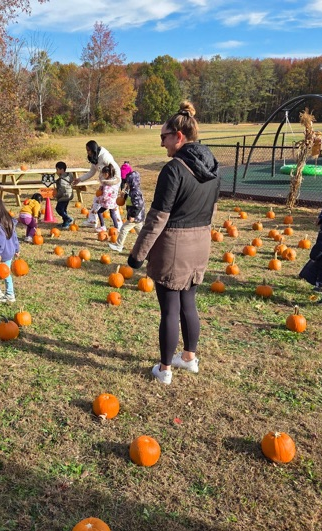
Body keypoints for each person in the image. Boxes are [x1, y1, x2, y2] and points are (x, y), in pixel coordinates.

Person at [127, 101, 220, 385]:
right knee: (188, 302)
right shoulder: (214, 166)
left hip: (174, 246)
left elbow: (157, 218)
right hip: (200, 242)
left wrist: (136, 256)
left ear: (179, 136)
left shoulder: (174, 170)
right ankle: (189, 358)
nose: (162, 143)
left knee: (169, 308)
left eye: (164, 136)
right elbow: (213, 209)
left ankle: (165, 369)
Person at [73, 140, 122, 229]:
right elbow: (91, 172)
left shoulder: (105, 156)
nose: (87, 152)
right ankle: (93, 220)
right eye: (86, 150)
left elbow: (115, 168)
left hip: (113, 182)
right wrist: (80, 179)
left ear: (93, 150)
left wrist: (113, 181)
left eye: (88, 150)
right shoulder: (94, 158)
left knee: (112, 204)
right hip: (105, 183)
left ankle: (118, 224)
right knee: (97, 199)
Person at [109, 162, 145, 252]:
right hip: (137, 217)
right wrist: (123, 196)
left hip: (135, 216)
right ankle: (148, 244)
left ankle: (118, 246)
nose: (126, 184)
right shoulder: (131, 191)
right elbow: (127, 199)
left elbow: (138, 206)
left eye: (127, 182)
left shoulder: (135, 192)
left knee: (124, 229)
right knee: (141, 233)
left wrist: (133, 215)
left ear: (132, 182)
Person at [95, 164, 122, 232]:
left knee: (99, 212)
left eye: (104, 174)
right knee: (112, 213)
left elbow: (105, 195)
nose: (103, 175)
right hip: (113, 202)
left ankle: (103, 226)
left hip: (107, 202)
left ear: (107, 174)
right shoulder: (112, 182)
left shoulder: (107, 184)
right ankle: (116, 227)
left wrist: (100, 199)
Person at [54, 161, 74, 229]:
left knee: (58, 209)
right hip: (68, 195)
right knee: (64, 210)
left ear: (61, 170)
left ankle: (68, 218)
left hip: (64, 196)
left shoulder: (62, 180)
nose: (56, 171)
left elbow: (61, 190)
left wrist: (56, 195)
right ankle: (65, 223)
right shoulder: (67, 176)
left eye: (57, 169)